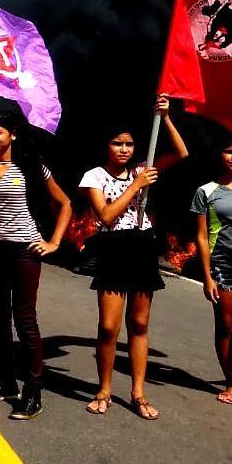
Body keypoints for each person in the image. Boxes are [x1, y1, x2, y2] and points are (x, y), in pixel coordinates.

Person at [79, 94, 187, 420]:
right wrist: (135, 186)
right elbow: (106, 216)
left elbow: (181, 153)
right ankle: (104, 389)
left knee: (139, 324)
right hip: (113, 248)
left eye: (129, 144)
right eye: (117, 143)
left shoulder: (143, 168)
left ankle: (138, 393)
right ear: (106, 146)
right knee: (109, 327)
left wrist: (165, 118)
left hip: (141, 246)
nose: (124, 149)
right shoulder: (94, 176)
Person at [0, 111, 72, 420]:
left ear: (14, 135)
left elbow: (65, 204)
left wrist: (54, 242)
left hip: (25, 250)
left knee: (25, 319)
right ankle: (7, 381)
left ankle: (33, 391)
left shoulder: (33, 168)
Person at [191, 133, 232, 405]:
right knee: (227, 326)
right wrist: (207, 277)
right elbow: (202, 237)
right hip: (223, 268)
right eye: (230, 151)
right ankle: (231, 385)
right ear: (220, 155)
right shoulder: (206, 192)